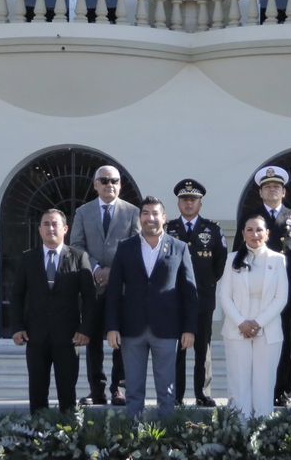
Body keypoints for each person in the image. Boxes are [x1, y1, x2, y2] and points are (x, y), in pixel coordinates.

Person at [105, 196, 198, 419]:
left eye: (155, 213)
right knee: (134, 390)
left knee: (166, 390)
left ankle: (166, 439)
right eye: (146, 213)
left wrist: (189, 329)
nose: (151, 218)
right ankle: (133, 438)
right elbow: (114, 291)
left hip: (166, 329)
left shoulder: (179, 248)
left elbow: (190, 292)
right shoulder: (125, 248)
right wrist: (112, 327)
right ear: (140, 218)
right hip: (132, 329)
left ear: (164, 218)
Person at [233, 165, 291, 406]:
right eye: (267, 187)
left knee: (286, 344)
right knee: (255, 343)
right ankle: (257, 389)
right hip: (254, 293)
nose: (272, 190)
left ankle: (282, 391)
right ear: (260, 192)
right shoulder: (250, 217)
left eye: (276, 187)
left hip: (286, 293)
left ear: (284, 192)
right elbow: (238, 253)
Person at [10, 209, 95, 414]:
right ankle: (39, 436)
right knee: (37, 391)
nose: (50, 228)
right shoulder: (28, 259)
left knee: (67, 392)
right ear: (39, 230)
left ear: (65, 229)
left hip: (68, 338)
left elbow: (90, 297)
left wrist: (85, 330)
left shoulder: (78, 257)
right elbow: (17, 295)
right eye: (45, 224)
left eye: (54, 224)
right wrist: (17, 327)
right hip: (36, 336)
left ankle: (68, 437)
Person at [69, 164, 140, 404]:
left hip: (122, 287)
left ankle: (119, 387)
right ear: (96, 184)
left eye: (115, 181)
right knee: (93, 340)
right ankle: (96, 389)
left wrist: (114, 271)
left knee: (122, 338)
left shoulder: (132, 212)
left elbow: (137, 246)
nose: (110, 185)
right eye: (105, 180)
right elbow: (76, 245)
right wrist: (98, 268)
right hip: (93, 285)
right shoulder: (83, 212)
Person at [217, 214, 289, 419]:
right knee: (239, 382)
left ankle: (263, 429)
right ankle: (239, 429)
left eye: (259, 230)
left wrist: (257, 323)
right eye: (249, 230)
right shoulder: (232, 260)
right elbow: (224, 296)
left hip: (267, 331)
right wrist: (242, 323)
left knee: (264, 382)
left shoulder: (278, 260)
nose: (254, 234)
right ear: (242, 234)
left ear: (267, 234)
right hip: (236, 330)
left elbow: (281, 298)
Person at [165, 178, 226, 406]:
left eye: (193, 200)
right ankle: (176, 394)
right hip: (175, 300)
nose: (189, 204)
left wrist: (208, 283)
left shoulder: (212, 229)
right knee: (177, 350)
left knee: (203, 348)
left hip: (202, 299)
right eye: (184, 200)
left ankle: (202, 393)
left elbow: (219, 264)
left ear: (200, 203)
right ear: (178, 203)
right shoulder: (168, 229)